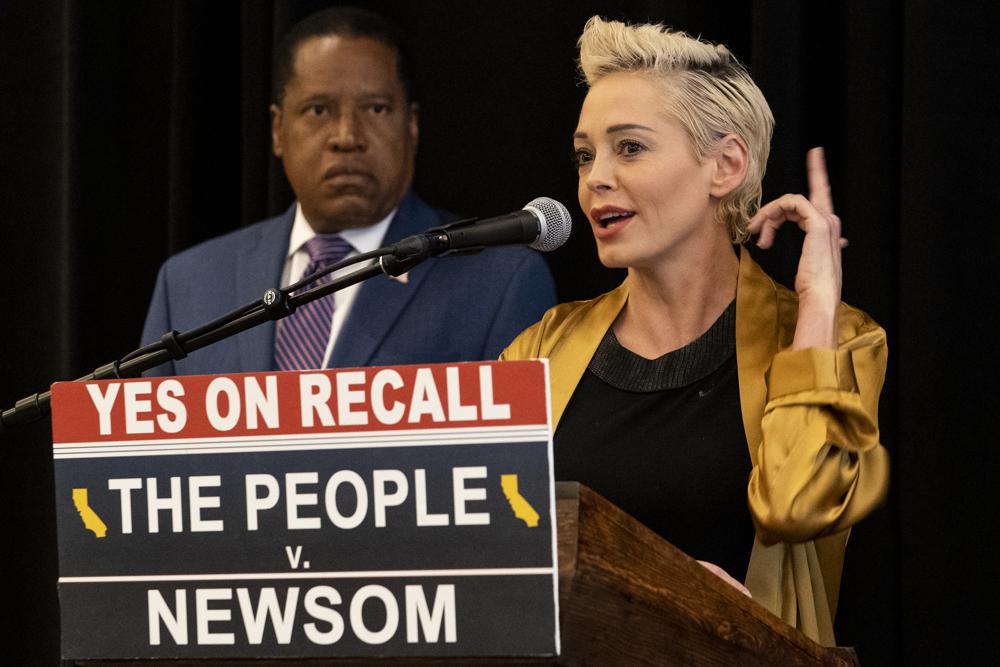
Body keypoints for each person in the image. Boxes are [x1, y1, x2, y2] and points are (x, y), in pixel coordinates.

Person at [501, 16, 889, 645]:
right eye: (585, 154)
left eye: (630, 147)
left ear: (726, 165)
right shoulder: (542, 347)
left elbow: (795, 506)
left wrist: (816, 303)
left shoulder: (838, 342)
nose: (595, 177)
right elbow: (488, 549)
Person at [141, 7, 555, 375]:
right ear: (277, 130)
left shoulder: (500, 283)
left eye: (375, 109)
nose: (347, 136)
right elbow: (150, 456)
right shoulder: (189, 283)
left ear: (411, 126)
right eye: (318, 110)